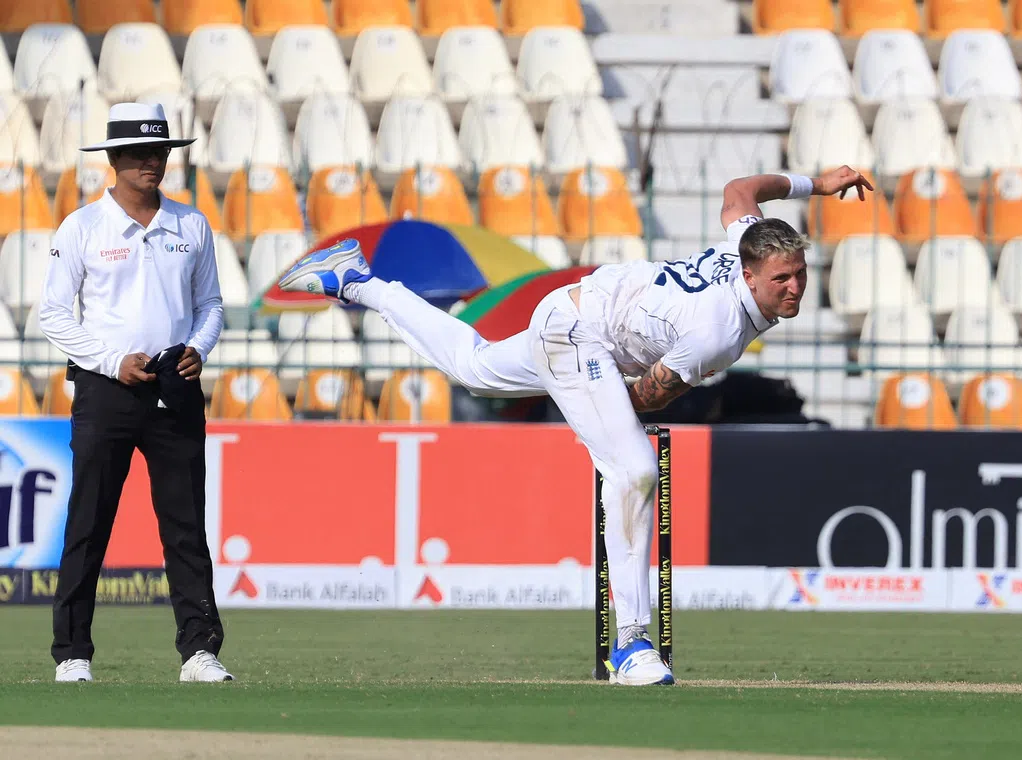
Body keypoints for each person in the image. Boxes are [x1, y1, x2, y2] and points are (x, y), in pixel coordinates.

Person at [278, 166, 873, 685]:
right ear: (748, 276)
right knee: (635, 470)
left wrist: (816, 186)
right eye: (782, 280)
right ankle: (634, 643)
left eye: (798, 274)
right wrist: (594, 411)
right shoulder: (715, 330)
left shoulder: (750, 242)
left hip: (580, 310)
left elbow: (741, 189)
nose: (795, 287)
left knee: (476, 368)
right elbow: (648, 396)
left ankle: (357, 280)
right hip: (581, 333)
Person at [39, 102, 232, 683]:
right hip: (106, 392)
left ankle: (200, 651)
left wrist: (200, 346)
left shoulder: (191, 224)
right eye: (140, 154)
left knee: (184, 525)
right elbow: (53, 315)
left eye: (161, 152)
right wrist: (109, 362)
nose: (154, 162)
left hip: (176, 387)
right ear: (114, 160)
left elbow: (211, 306)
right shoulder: (82, 227)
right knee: (88, 522)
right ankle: (72, 655)